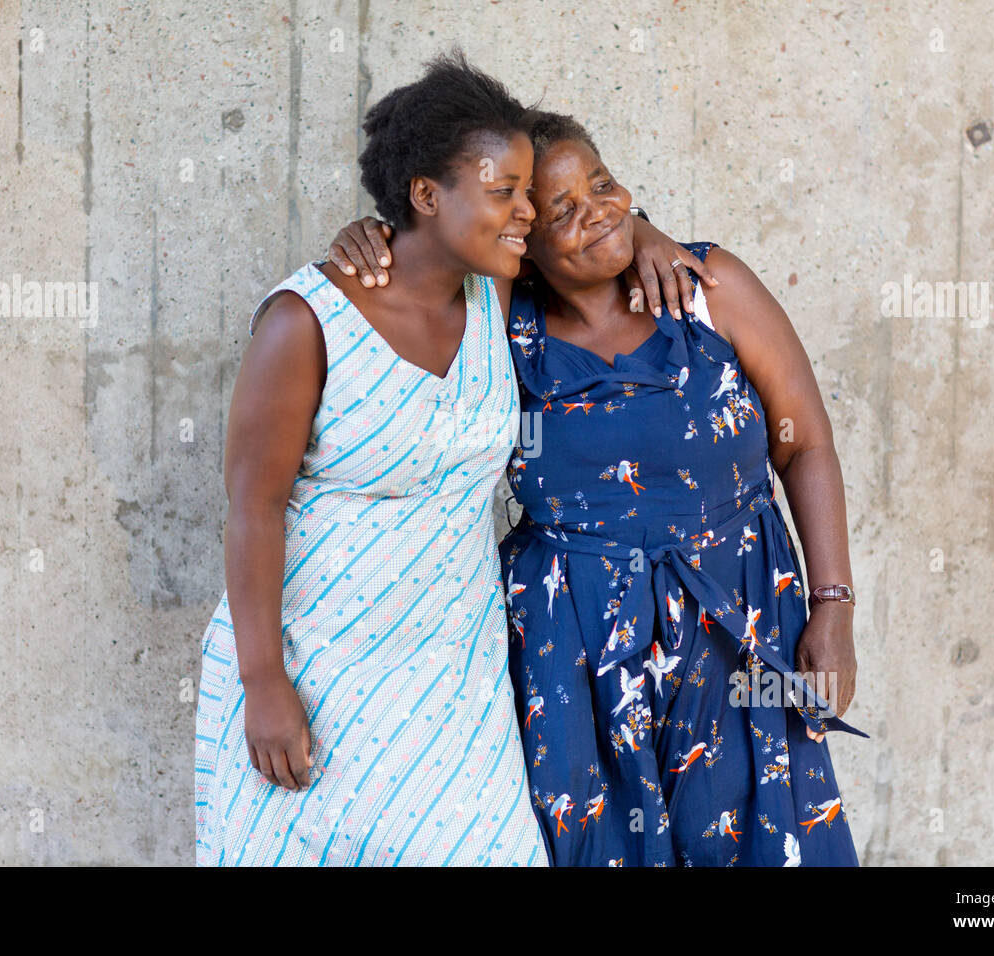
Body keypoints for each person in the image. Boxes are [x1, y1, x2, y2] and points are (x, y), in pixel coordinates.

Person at [195, 53, 696, 866]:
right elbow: (253, 508)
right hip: (316, 669)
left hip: (455, 679)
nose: (528, 211)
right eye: (506, 193)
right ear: (426, 195)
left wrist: (645, 233)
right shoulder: (305, 321)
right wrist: (263, 682)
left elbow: (591, 222)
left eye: (528, 193)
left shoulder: (493, 293)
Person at [328, 111, 866, 866]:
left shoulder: (707, 288)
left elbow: (805, 444)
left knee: (768, 835)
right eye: (562, 211)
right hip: (572, 641)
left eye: (605, 186)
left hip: (740, 613)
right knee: (600, 845)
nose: (599, 212)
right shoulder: (496, 328)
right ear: (521, 242)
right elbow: (424, 267)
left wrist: (832, 606)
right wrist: (372, 236)